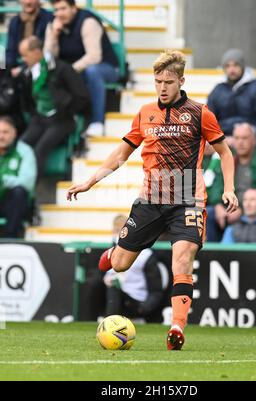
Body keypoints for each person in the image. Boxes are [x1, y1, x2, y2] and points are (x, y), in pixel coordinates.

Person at [66, 50, 239, 350]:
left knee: (183, 259)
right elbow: (121, 153)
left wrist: (229, 188)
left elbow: (225, 152)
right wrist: (90, 181)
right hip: (150, 198)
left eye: (168, 82)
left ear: (181, 81)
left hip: (188, 198)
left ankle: (177, 328)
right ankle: (114, 253)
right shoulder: (145, 113)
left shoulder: (200, 113)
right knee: (119, 265)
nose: (162, 87)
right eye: (158, 81)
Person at [44, 0, 120, 136]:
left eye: (63, 9)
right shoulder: (54, 24)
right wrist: (54, 35)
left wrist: (68, 72)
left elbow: (94, 56)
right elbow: (49, 59)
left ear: (74, 8)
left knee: (93, 71)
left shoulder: (88, 21)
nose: (59, 13)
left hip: (106, 68)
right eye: (56, 10)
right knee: (48, 74)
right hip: (77, 71)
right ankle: (61, 119)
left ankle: (97, 122)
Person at [18, 36, 90, 177]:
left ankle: (29, 193)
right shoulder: (27, 73)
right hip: (39, 118)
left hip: (62, 120)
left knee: (40, 150)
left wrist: (67, 111)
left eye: (25, 55)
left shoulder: (61, 68)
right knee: (22, 146)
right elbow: (28, 100)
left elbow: (82, 96)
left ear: (37, 52)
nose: (23, 59)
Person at [206, 122, 256, 242]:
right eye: (237, 138)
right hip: (227, 208)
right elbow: (217, 185)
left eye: (245, 138)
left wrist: (241, 210)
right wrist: (218, 206)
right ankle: (211, 253)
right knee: (208, 214)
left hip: (253, 209)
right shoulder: (228, 158)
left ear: (254, 141)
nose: (240, 142)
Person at [103, 215, 167, 321]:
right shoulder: (110, 251)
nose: (118, 234)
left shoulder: (144, 255)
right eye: (116, 230)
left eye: (120, 230)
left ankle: (110, 323)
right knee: (110, 287)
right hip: (115, 299)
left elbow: (156, 290)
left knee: (114, 290)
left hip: (136, 301)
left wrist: (144, 308)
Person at [207, 48, 256, 149]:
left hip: (252, 141)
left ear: (242, 66)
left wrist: (244, 136)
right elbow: (208, 121)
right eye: (227, 66)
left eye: (235, 65)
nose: (231, 70)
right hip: (223, 139)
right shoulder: (217, 90)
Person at [0, 116, 37, 238]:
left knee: (19, 192)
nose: (1, 136)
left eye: (5, 132)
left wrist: (3, 180)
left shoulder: (24, 151)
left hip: (12, 203)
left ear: (14, 133)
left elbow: (27, 182)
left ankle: (10, 238)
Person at [6, 0, 53, 74]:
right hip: (17, 68)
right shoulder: (14, 22)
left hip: (40, 68)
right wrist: (11, 69)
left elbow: (46, 50)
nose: (28, 2)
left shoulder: (48, 19)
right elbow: (10, 50)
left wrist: (22, 68)